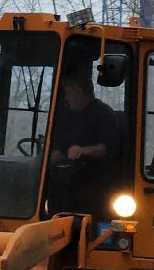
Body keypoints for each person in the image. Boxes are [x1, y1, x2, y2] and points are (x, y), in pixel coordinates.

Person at [47, 72, 128, 214]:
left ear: (79, 91)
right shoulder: (68, 116)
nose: (66, 99)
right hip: (69, 177)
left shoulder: (103, 114)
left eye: (68, 93)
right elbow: (61, 147)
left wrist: (83, 151)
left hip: (96, 182)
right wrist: (49, 157)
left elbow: (107, 149)